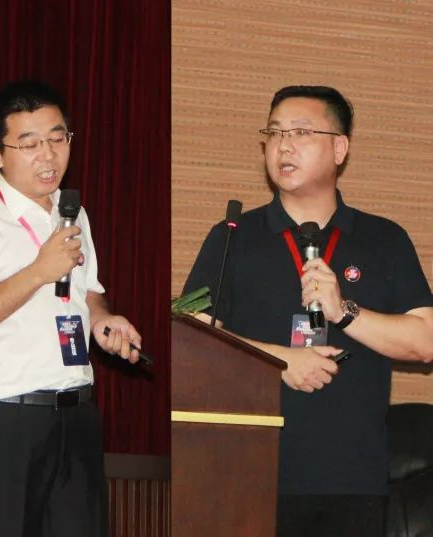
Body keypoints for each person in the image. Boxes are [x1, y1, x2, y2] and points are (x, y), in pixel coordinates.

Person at [183, 85, 433, 537]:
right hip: (248, 472)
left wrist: (345, 311)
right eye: (274, 133)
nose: (283, 145)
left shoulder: (384, 239)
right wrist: (278, 360)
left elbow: (425, 341)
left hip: (352, 480)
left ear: (340, 149)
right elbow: (190, 338)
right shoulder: (232, 236)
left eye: (301, 132)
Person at [0, 79, 142, 537]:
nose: (48, 155)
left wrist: (102, 319)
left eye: (57, 138)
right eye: (29, 144)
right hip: (6, 420)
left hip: (76, 414)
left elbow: (87, 292)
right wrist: (37, 271)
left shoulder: (73, 213)